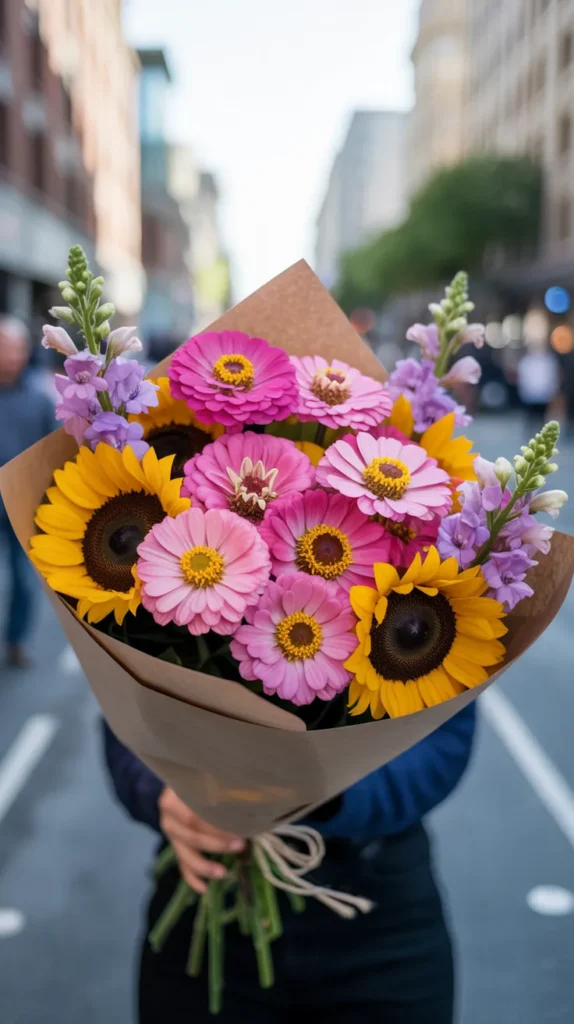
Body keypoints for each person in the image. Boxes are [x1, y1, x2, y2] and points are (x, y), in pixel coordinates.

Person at [103, 703, 476, 1023]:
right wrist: (163, 791)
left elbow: (443, 744)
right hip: (205, 890)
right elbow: (122, 708)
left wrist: (321, 793)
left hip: (381, 913)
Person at [0, 315, 54, 666]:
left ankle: (16, 641)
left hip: (22, 506)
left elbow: (52, 456)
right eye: (5, 348)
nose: (11, 355)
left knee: (23, 579)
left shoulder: (40, 400)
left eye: (17, 347)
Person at [516, 344, 560, 428]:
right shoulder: (527, 361)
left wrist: (552, 389)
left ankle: (541, 430)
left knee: (541, 416)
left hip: (543, 392)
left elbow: (552, 375)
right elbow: (523, 377)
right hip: (530, 393)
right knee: (531, 415)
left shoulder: (548, 360)